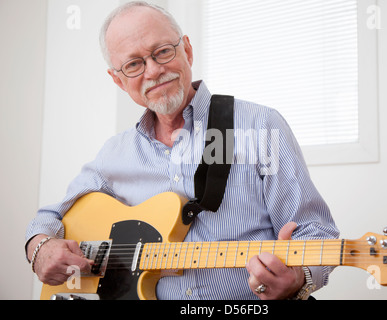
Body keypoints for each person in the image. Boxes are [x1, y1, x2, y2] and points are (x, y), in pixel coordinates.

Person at [25, 1, 339, 300]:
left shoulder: (260, 126)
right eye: (134, 64)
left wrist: (298, 278)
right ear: (118, 80)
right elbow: (51, 216)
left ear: (187, 49)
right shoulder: (113, 154)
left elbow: (317, 232)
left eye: (162, 52)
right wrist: (40, 248)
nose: (152, 71)